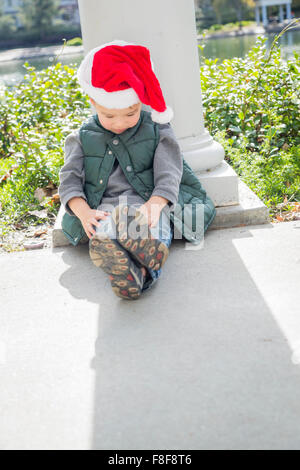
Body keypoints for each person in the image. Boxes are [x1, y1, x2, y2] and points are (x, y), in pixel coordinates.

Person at [58, 39, 216, 300]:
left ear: (140, 102)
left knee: (153, 228)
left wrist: (156, 203)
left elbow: (170, 170)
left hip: (147, 204)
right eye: (109, 116)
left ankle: (139, 265)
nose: (120, 122)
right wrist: (84, 213)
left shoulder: (156, 128)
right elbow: (70, 180)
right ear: (93, 102)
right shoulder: (83, 136)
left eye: (130, 113)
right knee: (107, 234)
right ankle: (134, 270)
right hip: (105, 208)